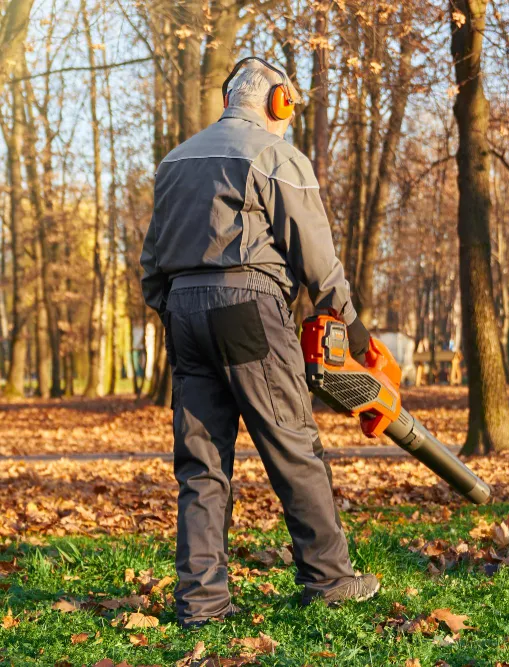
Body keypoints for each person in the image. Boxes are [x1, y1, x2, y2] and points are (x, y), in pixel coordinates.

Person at [140, 57, 380, 629]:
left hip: (182, 312)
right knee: (293, 444)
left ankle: (202, 604)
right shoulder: (276, 156)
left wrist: (176, 310)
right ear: (278, 102)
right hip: (247, 306)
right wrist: (351, 323)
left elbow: (151, 267)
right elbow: (316, 258)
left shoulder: (173, 162)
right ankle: (329, 579)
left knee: (200, 463)